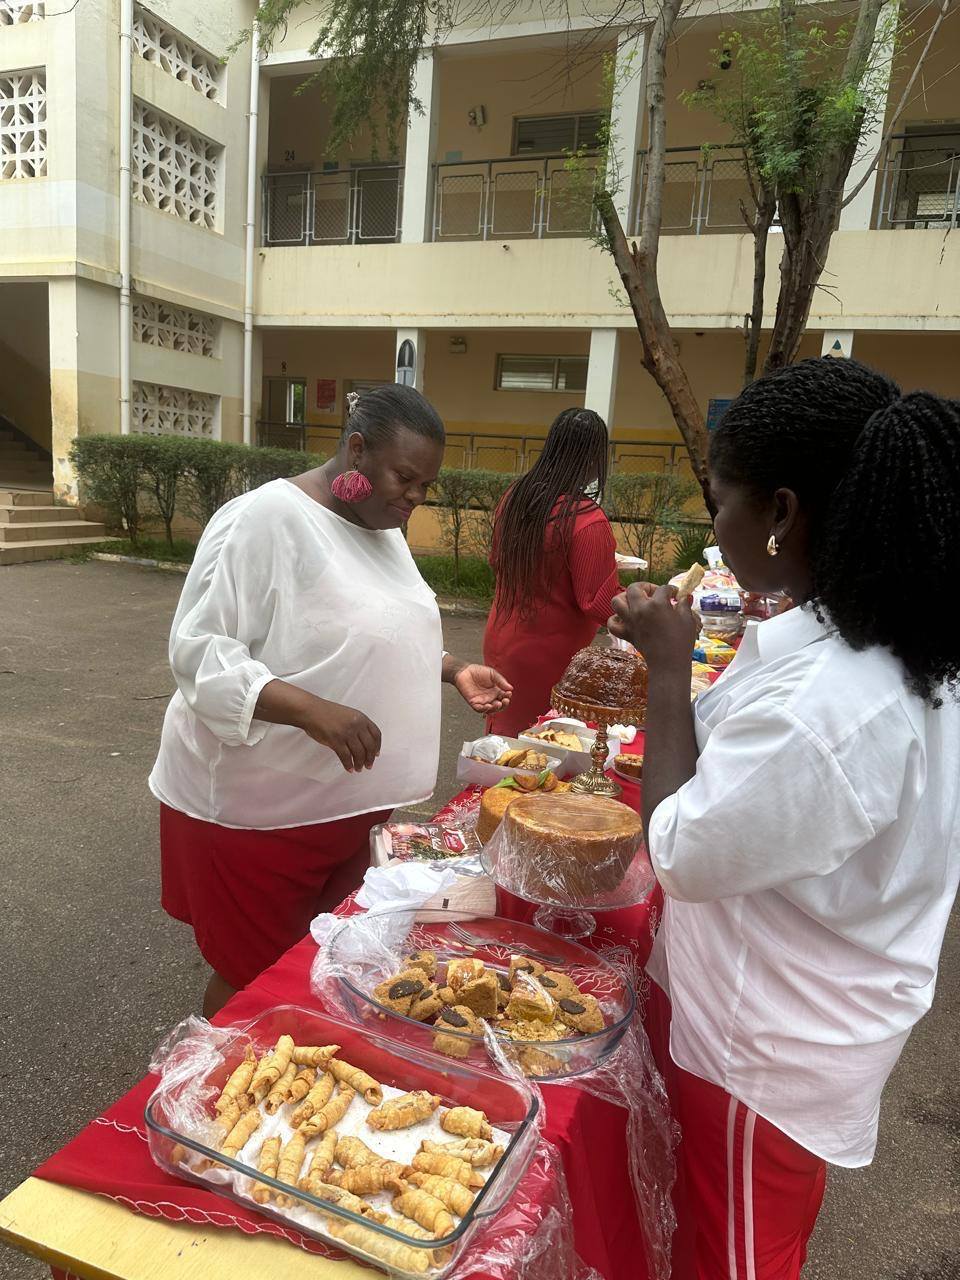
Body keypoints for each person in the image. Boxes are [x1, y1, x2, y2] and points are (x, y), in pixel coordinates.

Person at [608, 358, 960, 1279]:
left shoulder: (834, 706)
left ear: (782, 513)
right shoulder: (892, 640)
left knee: (735, 1260)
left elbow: (679, 848)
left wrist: (668, 672)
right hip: (796, 1022)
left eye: (720, 499)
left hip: (763, 1053)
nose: (712, 522)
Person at [150, 386, 512, 1017]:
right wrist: (312, 710)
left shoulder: (381, 526)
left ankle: (287, 1084)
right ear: (355, 450)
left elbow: (380, 629)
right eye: (405, 477)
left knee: (325, 965)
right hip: (260, 814)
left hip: (350, 807)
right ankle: (206, 1091)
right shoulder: (263, 519)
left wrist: (451, 669)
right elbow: (200, 655)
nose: (415, 498)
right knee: (255, 977)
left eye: (426, 485)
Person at [483, 408, 621, 736]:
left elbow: (496, 560)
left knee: (503, 742)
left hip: (502, 639)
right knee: (539, 749)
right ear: (593, 459)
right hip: (550, 657)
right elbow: (598, 602)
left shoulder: (515, 498)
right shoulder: (588, 520)